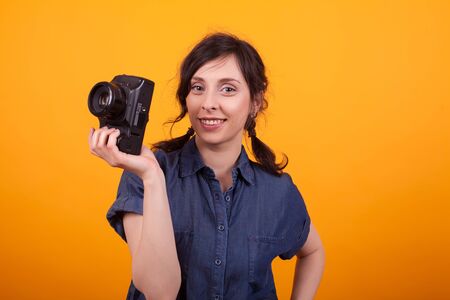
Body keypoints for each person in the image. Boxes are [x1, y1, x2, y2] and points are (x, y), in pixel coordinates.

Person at [88, 32, 325, 300]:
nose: (208, 104)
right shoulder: (146, 174)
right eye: (198, 88)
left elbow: (313, 252)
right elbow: (159, 292)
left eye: (228, 89)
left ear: (255, 102)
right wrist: (152, 177)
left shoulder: (277, 191)